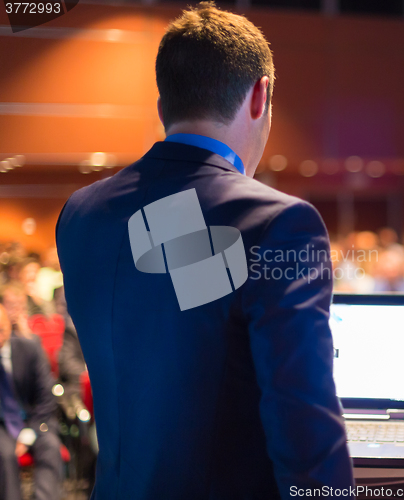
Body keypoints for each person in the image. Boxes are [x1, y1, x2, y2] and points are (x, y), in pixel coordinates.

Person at [56, 2, 354, 499]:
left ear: (162, 106)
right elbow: (305, 427)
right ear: (260, 96)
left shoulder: (81, 213)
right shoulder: (278, 223)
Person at [0, 304, 62, 500]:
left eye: (1, 329)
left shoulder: (30, 347)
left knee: (51, 447)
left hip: (35, 420)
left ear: (9, 325)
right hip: (2, 426)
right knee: (4, 454)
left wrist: (29, 432)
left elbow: (46, 395)